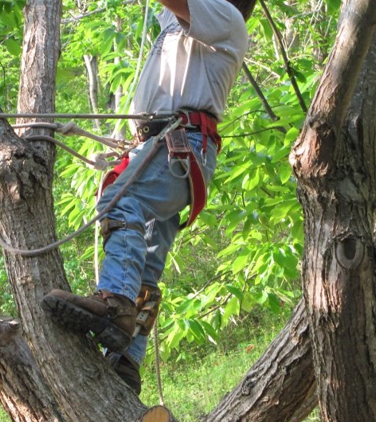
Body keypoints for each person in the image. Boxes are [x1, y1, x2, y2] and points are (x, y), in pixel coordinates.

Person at [42, 0, 256, 394]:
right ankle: (126, 360)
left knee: (122, 202)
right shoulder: (186, 25)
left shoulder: (225, 16)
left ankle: (115, 303)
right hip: (170, 144)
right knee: (148, 259)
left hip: (179, 141)